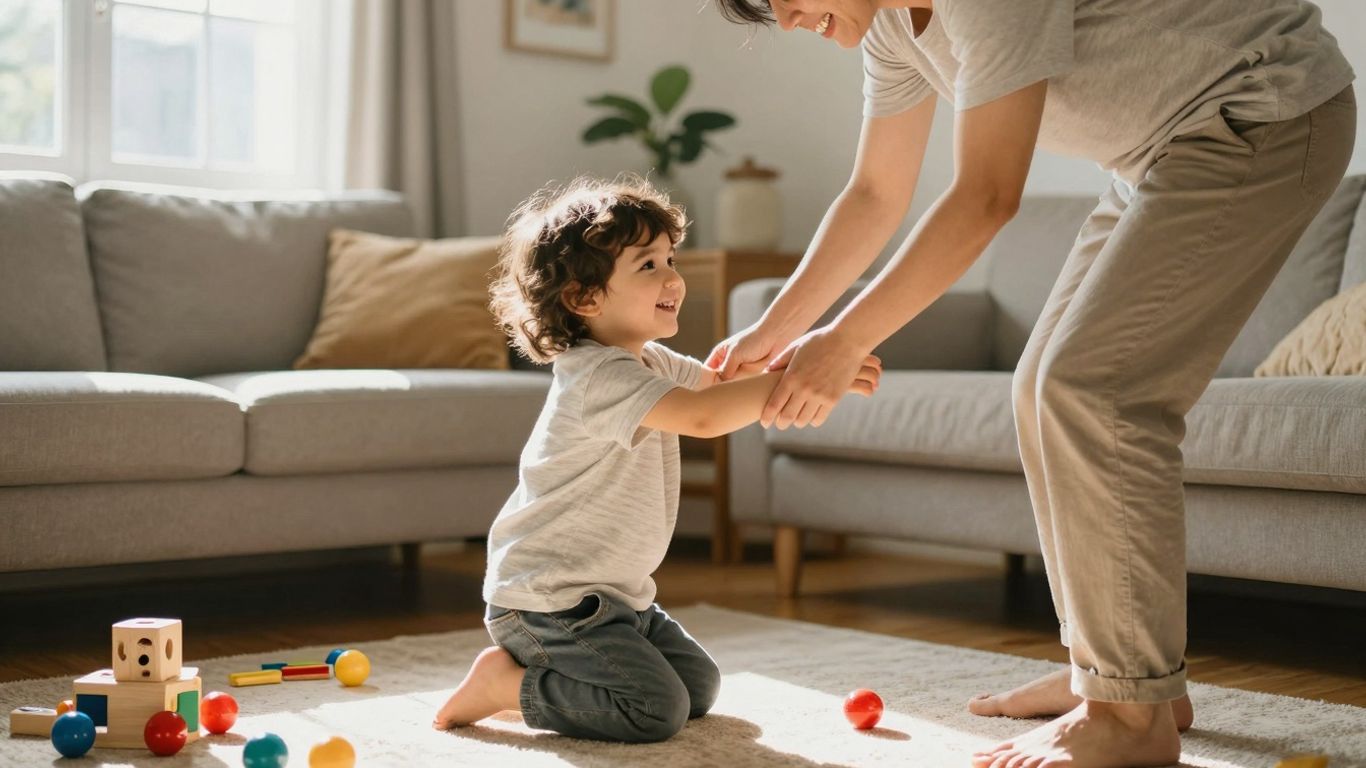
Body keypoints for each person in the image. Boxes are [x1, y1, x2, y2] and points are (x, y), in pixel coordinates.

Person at [710, 1, 1356, 765]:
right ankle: (1124, 676)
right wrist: (774, 332)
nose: (786, 20)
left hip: (1259, 114)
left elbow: (987, 195)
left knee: (1090, 389)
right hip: (1154, 157)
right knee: (1042, 390)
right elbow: (874, 195)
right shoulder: (888, 27)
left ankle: (1129, 716)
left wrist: (847, 340)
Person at [432, 175, 881, 742]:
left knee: (698, 689)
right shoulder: (596, 375)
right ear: (584, 297)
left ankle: (557, 671)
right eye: (648, 266)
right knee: (653, 710)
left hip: (616, 600)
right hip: (548, 603)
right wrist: (811, 378)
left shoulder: (649, 361)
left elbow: (718, 388)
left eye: (671, 259)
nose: (673, 277)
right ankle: (506, 686)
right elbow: (703, 417)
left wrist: (810, 365)